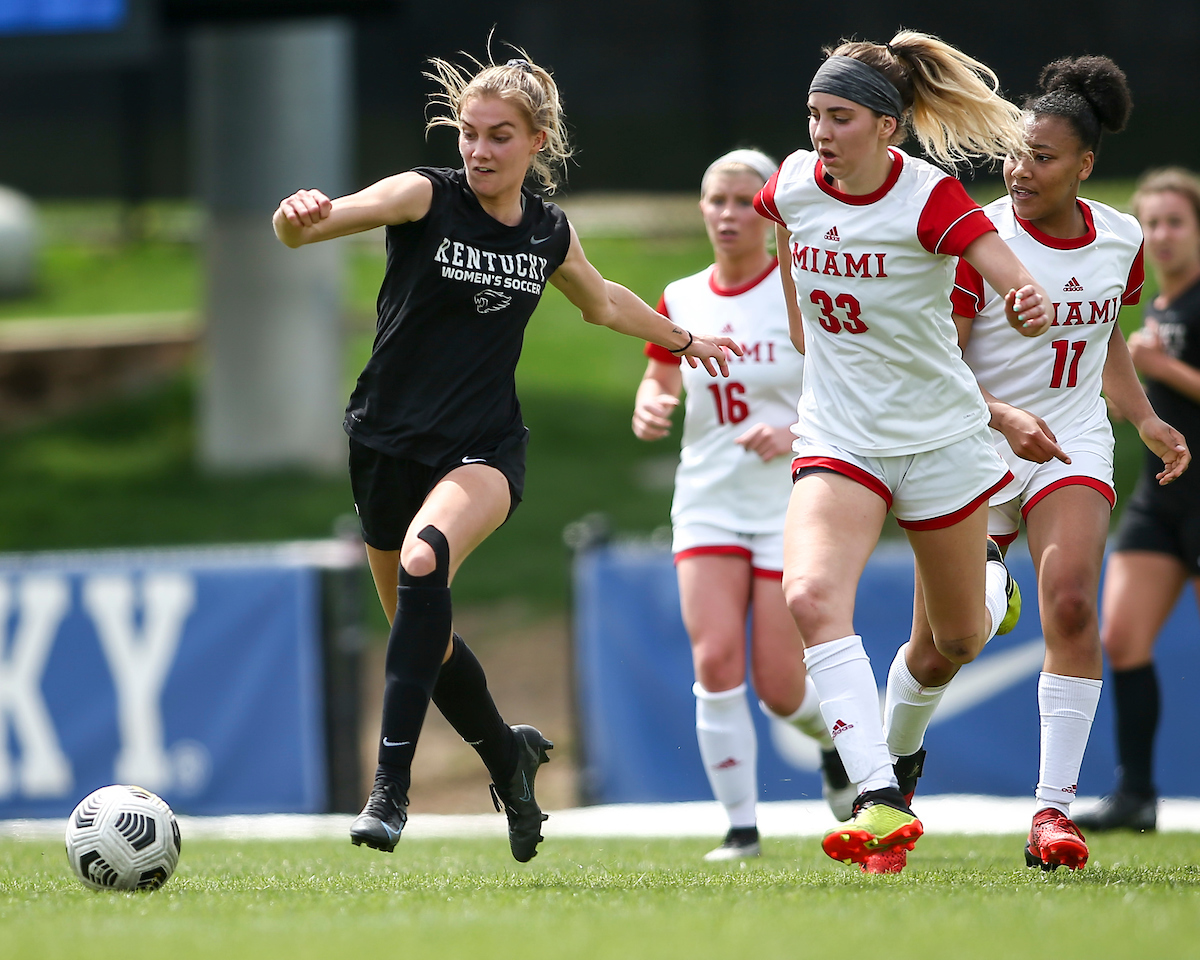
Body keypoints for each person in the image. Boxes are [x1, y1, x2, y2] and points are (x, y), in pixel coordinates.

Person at [272, 50, 739, 862]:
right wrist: (297, 213)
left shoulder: (548, 230)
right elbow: (321, 221)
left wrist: (684, 339)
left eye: (498, 137)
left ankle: (388, 792)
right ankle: (507, 756)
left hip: (482, 449)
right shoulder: (427, 195)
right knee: (426, 636)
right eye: (468, 135)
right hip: (383, 444)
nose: (478, 152)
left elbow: (601, 301)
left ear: (537, 140)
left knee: (425, 569)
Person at [871, 57, 1189, 874]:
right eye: (1014, 152)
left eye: (1042, 156)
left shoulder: (1120, 237)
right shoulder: (979, 241)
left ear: (1084, 165)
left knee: (1074, 603)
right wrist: (1005, 420)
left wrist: (1145, 419)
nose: (1020, 170)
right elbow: (936, 365)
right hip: (971, 444)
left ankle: (1051, 813)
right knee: (945, 647)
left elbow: (1107, 339)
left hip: (1070, 444)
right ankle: (891, 783)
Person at [754, 29, 1054, 868]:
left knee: (954, 640)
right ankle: (879, 794)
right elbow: (789, 256)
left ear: (888, 127)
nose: (821, 133)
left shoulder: (928, 198)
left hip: (938, 441)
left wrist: (1025, 300)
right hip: (841, 436)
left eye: (840, 117)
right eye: (813, 114)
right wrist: (803, 332)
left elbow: (1003, 270)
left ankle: (984, 606)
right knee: (810, 594)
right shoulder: (792, 184)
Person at [632, 148, 855, 861]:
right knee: (715, 659)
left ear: (768, 210)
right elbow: (661, 373)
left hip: (789, 504)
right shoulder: (681, 295)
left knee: (782, 687)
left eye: (741, 201)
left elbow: (846, 386)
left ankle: (837, 748)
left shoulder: (799, 289)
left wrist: (793, 430)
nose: (726, 215)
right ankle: (740, 829)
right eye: (714, 201)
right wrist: (652, 403)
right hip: (706, 499)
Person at [1077, 167, 1200, 833]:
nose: (1161, 236)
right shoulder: (1151, 310)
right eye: (1150, 225)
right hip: (1162, 499)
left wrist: (1164, 370)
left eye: (1175, 222)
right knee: (1120, 637)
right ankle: (1137, 794)